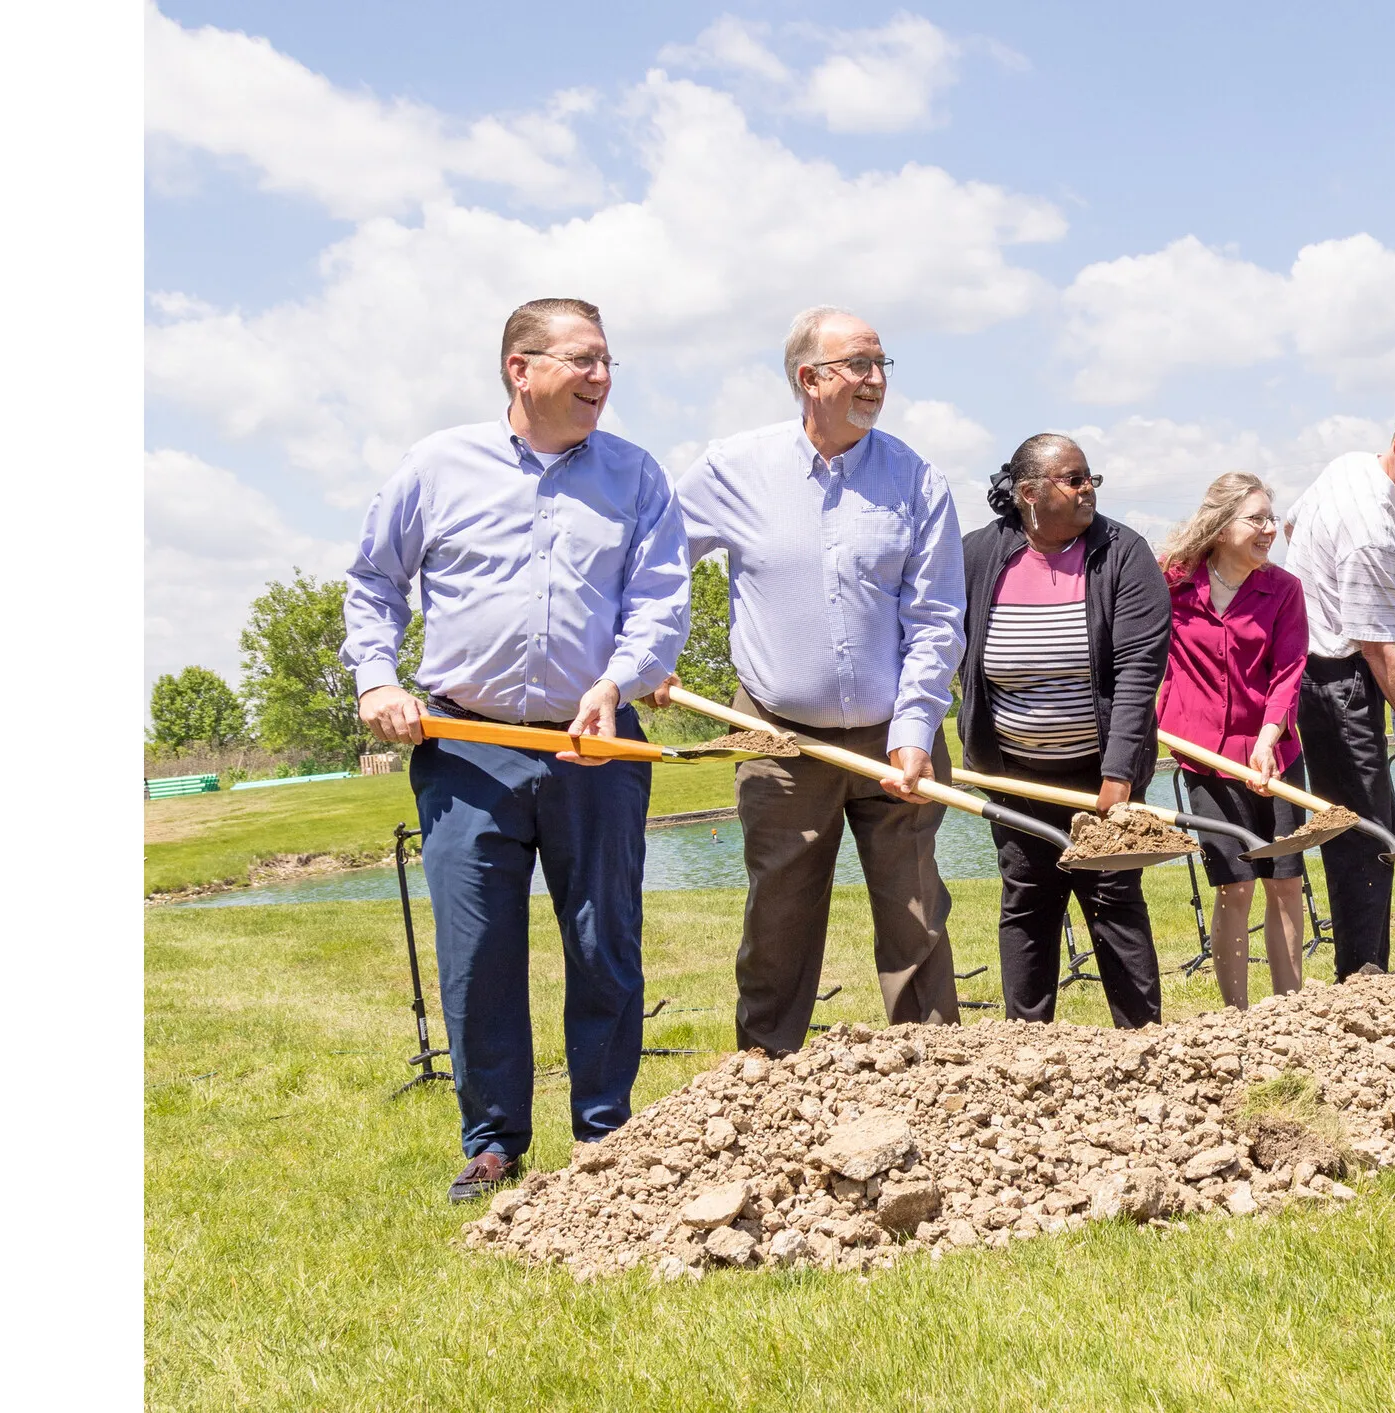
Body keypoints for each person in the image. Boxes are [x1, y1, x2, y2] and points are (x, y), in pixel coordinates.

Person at [343, 297, 690, 1201]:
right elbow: (374, 583)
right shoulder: (435, 466)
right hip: (465, 746)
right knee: (478, 947)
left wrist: (615, 683)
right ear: (520, 368)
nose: (601, 378)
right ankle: (493, 1139)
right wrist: (378, 679)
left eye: (607, 362)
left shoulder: (636, 475)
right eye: (582, 361)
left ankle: (605, 1136)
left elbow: (659, 602)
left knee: (604, 939)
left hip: (598, 744)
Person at [669, 306, 965, 1056]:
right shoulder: (733, 469)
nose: (875, 380)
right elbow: (654, 559)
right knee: (779, 918)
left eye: (881, 365)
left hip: (899, 733)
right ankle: (764, 1077)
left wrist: (912, 731)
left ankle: (938, 1075)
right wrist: (651, 646)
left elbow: (936, 618)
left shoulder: (914, 479)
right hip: (778, 735)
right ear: (809, 378)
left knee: (916, 914)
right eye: (858, 365)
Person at [957, 433, 1170, 1028]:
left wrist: (1118, 775)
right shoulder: (977, 556)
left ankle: (1143, 1042)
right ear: (1027, 493)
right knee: (1027, 902)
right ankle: (1029, 1046)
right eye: (1073, 479)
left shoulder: (1122, 553)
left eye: (1089, 478)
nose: (1087, 490)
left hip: (1098, 776)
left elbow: (1136, 673)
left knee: (1112, 899)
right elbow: (946, 644)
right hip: (1014, 776)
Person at [1281, 400, 1395, 978]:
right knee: (1367, 832)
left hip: (1323, 670)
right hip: (1339, 682)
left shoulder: (1348, 467)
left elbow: (1291, 526)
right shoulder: (1372, 531)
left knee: (1363, 825)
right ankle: (1363, 977)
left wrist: (1316, 592)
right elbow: (1380, 652)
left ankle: (1363, 969)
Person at [1156, 472, 1310, 1008]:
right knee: (1234, 886)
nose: (1270, 529)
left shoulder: (1284, 590)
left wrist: (1269, 739)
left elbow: (1289, 672)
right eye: (1257, 519)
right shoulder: (1171, 583)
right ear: (1221, 527)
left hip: (1273, 757)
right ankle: (1237, 1016)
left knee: (1285, 884)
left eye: (1273, 518)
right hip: (1204, 759)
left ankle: (1289, 1012)